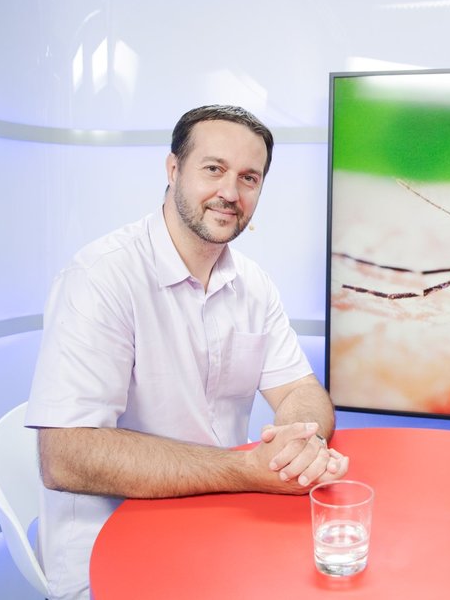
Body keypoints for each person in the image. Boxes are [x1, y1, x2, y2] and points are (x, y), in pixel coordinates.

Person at [25, 105, 348, 600]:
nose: (230, 193)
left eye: (249, 178)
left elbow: (301, 390)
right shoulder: (101, 277)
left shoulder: (253, 285)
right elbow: (65, 456)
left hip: (217, 531)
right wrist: (245, 470)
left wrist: (298, 443)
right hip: (110, 561)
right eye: (213, 169)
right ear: (174, 170)